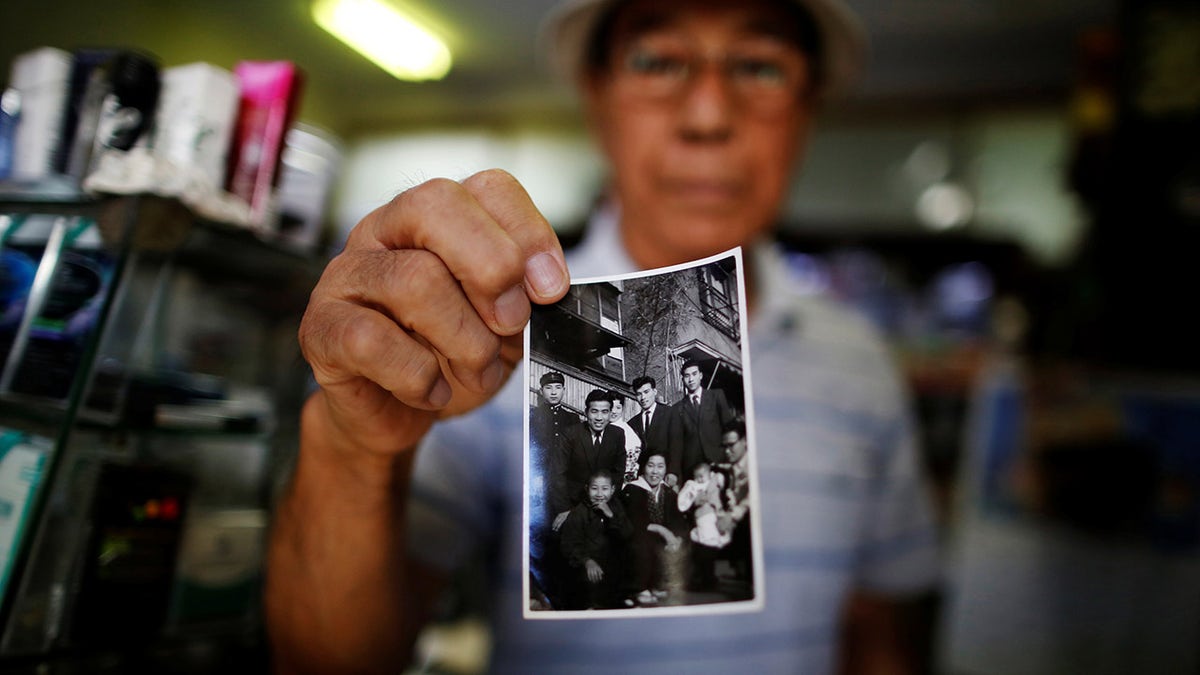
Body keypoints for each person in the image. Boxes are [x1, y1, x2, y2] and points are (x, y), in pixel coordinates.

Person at [265, 0, 941, 672]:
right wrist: (353, 445)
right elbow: (329, 658)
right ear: (596, 96)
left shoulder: (861, 362)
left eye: (761, 67)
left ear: (808, 107)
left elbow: (881, 632)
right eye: (655, 61)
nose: (708, 115)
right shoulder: (485, 334)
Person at [558, 468, 634, 609]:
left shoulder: (616, 507)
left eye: (604, 489)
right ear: (587, 489)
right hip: (589, 565)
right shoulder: (578, 513)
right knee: (588, 588)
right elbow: (569, 544)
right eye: (594, 488)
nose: (599, 494)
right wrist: (586, 561)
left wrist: (610, 515)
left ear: (612, 490)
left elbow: (627, 534)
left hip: (613, 564)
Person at [620, 451, 687, 606]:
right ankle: (639, 587)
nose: (655, 472)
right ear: (643, 467)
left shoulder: (668, 492)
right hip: (638, 538)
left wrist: (676, 536)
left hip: (661, 539)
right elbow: (635, 522)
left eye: (660, 466)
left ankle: (657, 584)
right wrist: (663, 531)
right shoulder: (632, 490)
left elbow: (677, 520)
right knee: (643, 542)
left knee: (682, 539)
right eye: (650, 466)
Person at [559, 389, 628, 517]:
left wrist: (608, 504)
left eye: (604, 412)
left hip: (606, 505)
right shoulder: (571, 434)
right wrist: (564, 509)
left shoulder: (617, 434)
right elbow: (558, 474)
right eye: (594, 411)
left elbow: (618, 475)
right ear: (586, 412)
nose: (599, 418)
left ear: (610, 413)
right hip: (573, 506)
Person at [673, 359, 736, 477]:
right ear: (683, 379)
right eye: (687, 376)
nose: (691, 379)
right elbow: (677, 444)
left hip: (718, 462)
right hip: (691, 468)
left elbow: (728, 428)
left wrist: (730, 459)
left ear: (700, 375)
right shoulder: (677, 408)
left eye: (694, 374)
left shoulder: (716, 396)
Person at [628, 375, 676, 485]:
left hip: (667, 476)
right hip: (642, 479)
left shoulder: (671, 414)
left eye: (646, 392)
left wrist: (674, 472)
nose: (643, 397)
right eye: (639, 394)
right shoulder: (632, 423)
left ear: (654, 391)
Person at [606, 393, 643, 485]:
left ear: (623, 409)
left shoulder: (627, 432)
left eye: (618, 408)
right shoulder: (602, 427)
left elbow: (631, 467)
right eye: (611, 407)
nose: (614, 411)